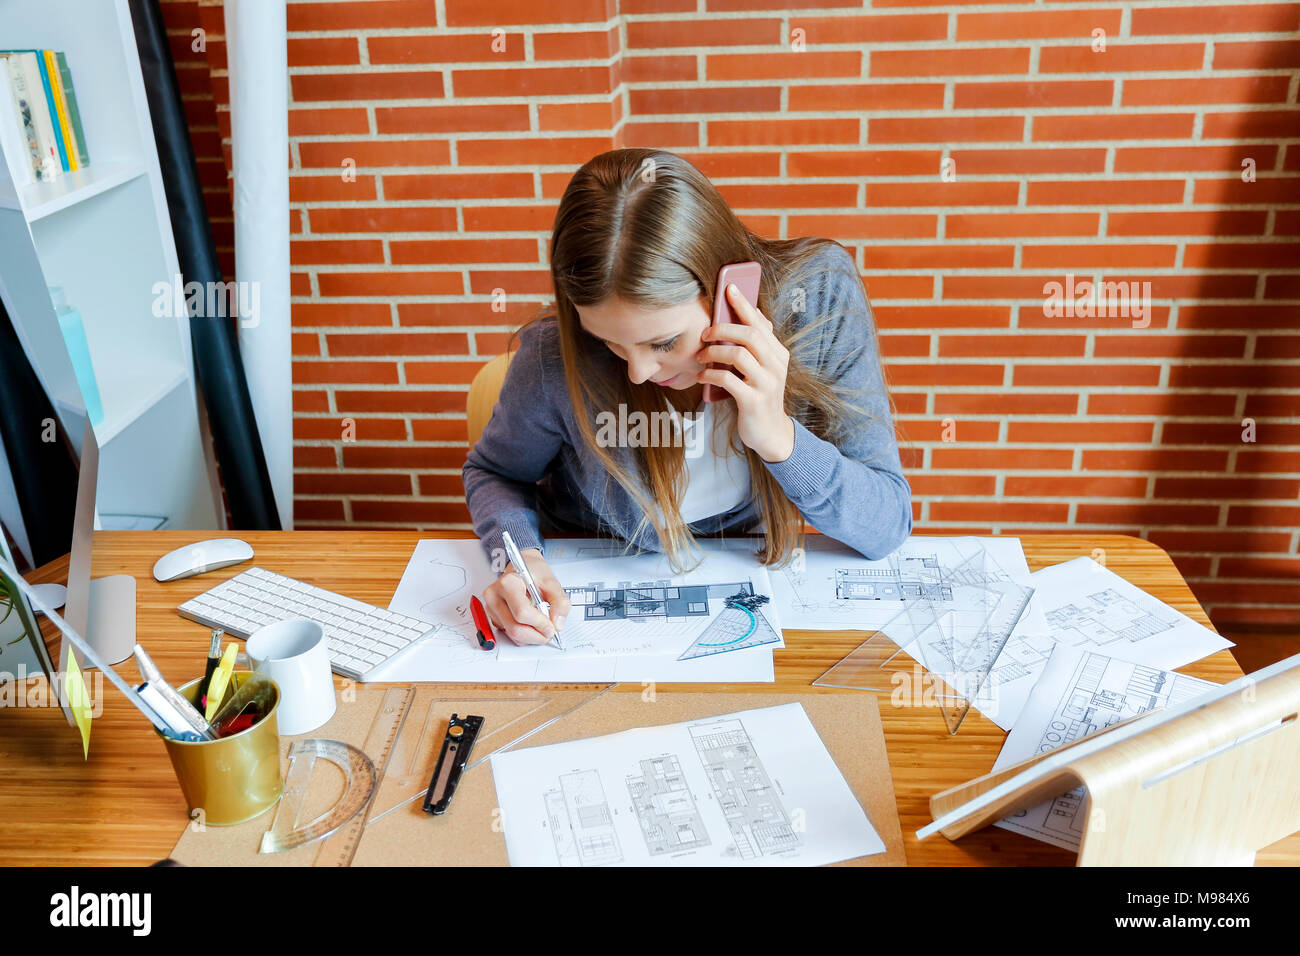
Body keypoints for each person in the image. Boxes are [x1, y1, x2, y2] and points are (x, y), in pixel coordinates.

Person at [463, 148, 912, 646]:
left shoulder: (820, 299)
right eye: (608, 342)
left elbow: (885, 525)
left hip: (751, 598)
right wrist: (521, 559)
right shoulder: (553, 353)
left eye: (662, 343)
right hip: (595, 597)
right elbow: (495, 472)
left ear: (727, 289)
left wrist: (781, 440)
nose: (637, 372)